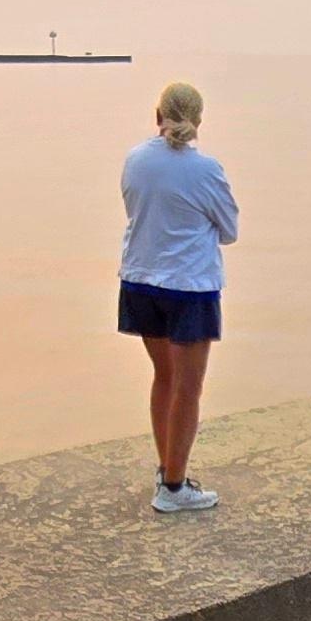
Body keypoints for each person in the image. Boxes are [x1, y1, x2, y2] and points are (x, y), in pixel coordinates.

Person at [117, 79, 236, 514]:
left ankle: (167, 467)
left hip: (140, 282)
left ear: (157, 116)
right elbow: (230, 230)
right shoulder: (206, 169)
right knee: (189, 388)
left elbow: (137, 210)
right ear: (198, 122)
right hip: (189, 288)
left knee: (164, 378)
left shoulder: (135, 160)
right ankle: (173, 487)